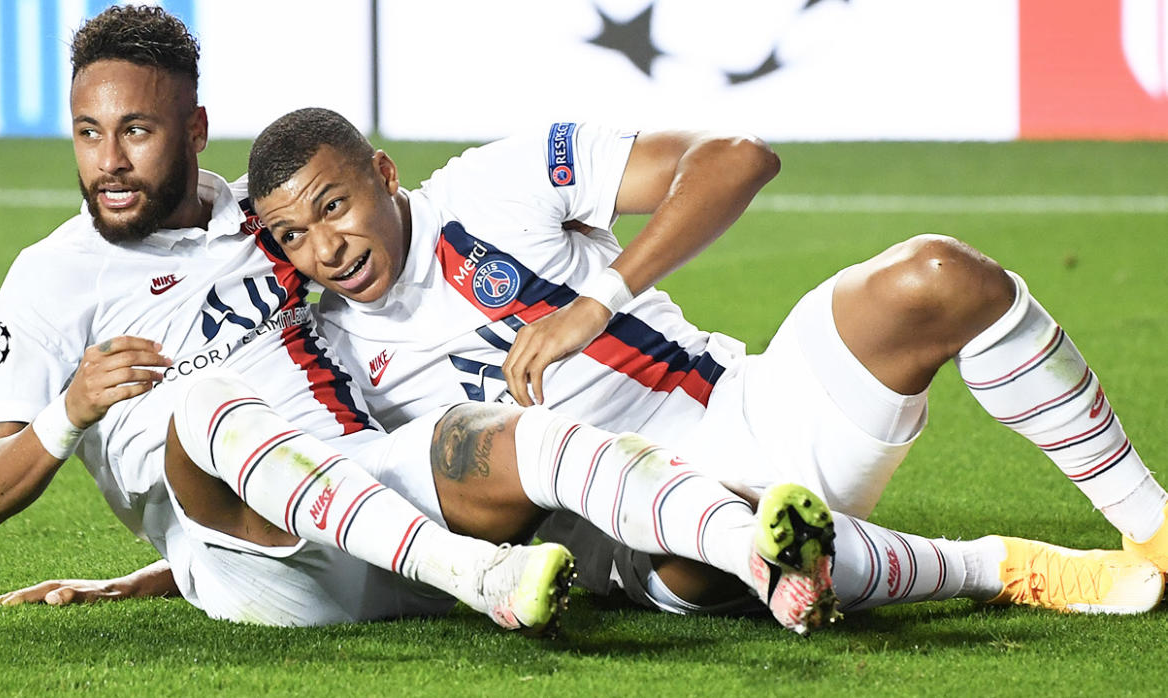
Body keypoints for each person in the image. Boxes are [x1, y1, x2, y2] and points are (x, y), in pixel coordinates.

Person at [0, 5, 842, 636]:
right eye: (87, 133)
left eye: (136, 132)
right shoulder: (49, 280)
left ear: (194, 130)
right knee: (209, 406)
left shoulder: (267, 223)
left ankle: (927, 564)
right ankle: (482, 578)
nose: (108, 162)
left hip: (376, 505)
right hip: (243, 545)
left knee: (516, 434)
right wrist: (68, 412)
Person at [244, 106, 1165, 616]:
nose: (324, 245)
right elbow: (334, 504)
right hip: (640, 543)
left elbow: (736, 159)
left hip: (753, 408)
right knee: (736, 536)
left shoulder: (493, 184)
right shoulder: (335, 357)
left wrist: (597, 301)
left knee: (940, 277)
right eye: (293, 234)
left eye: (334, 205)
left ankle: (1149, 524)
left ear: (385, 172)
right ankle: (993, 567)